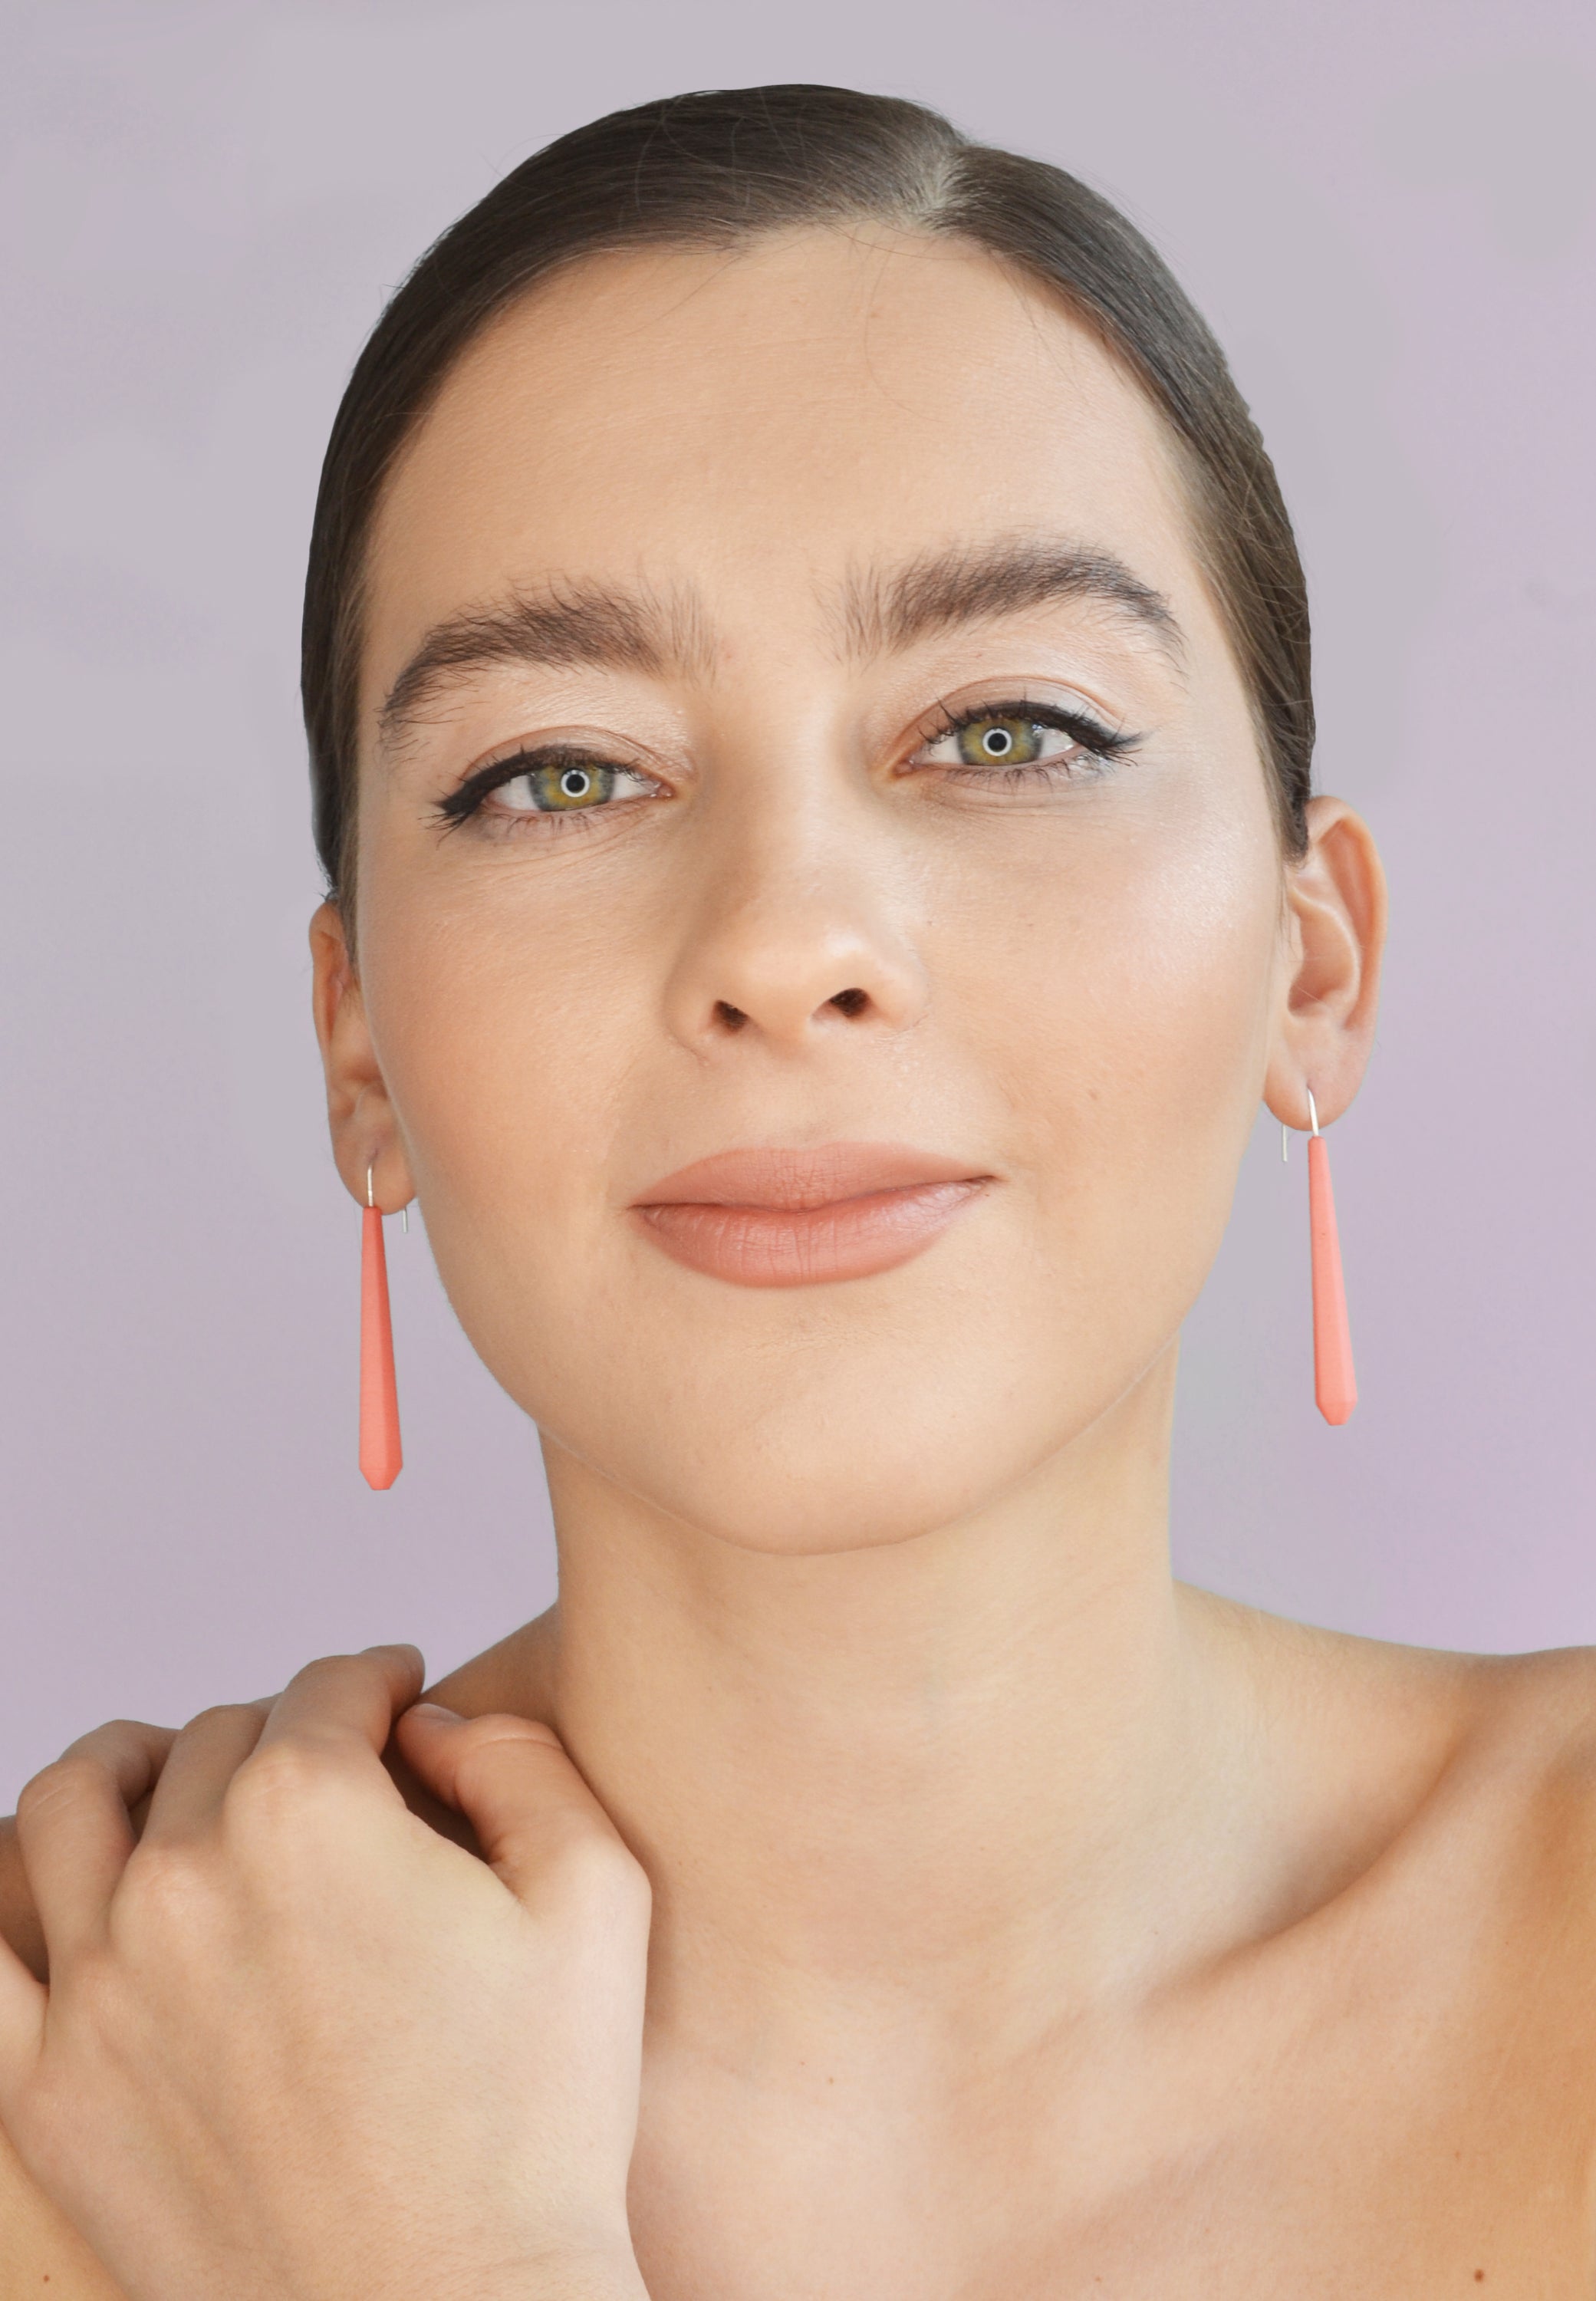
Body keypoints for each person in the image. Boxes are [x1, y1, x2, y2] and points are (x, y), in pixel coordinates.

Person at [0, 82, 1591, 2299]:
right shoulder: (73, 2076)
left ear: (1306, 968)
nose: (783, 940)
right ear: (358, 1037)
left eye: (1008, 729)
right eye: (559, 772)